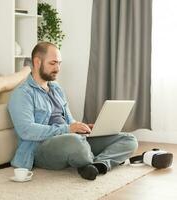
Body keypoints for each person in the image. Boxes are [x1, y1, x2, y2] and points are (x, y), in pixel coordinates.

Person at [8, 42, 138, 180]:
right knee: (75, 142)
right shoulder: (22, 93)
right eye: (52, 63)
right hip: (41, 147)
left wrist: (83, 127)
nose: (57, 68)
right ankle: (95, 157)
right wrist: (67, 129)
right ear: (37, 62)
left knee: (129, 140)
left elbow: (70, 121)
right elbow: (26, 130)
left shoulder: (56, 89)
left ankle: (99, 164)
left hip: (72, 139)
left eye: (59, 63)